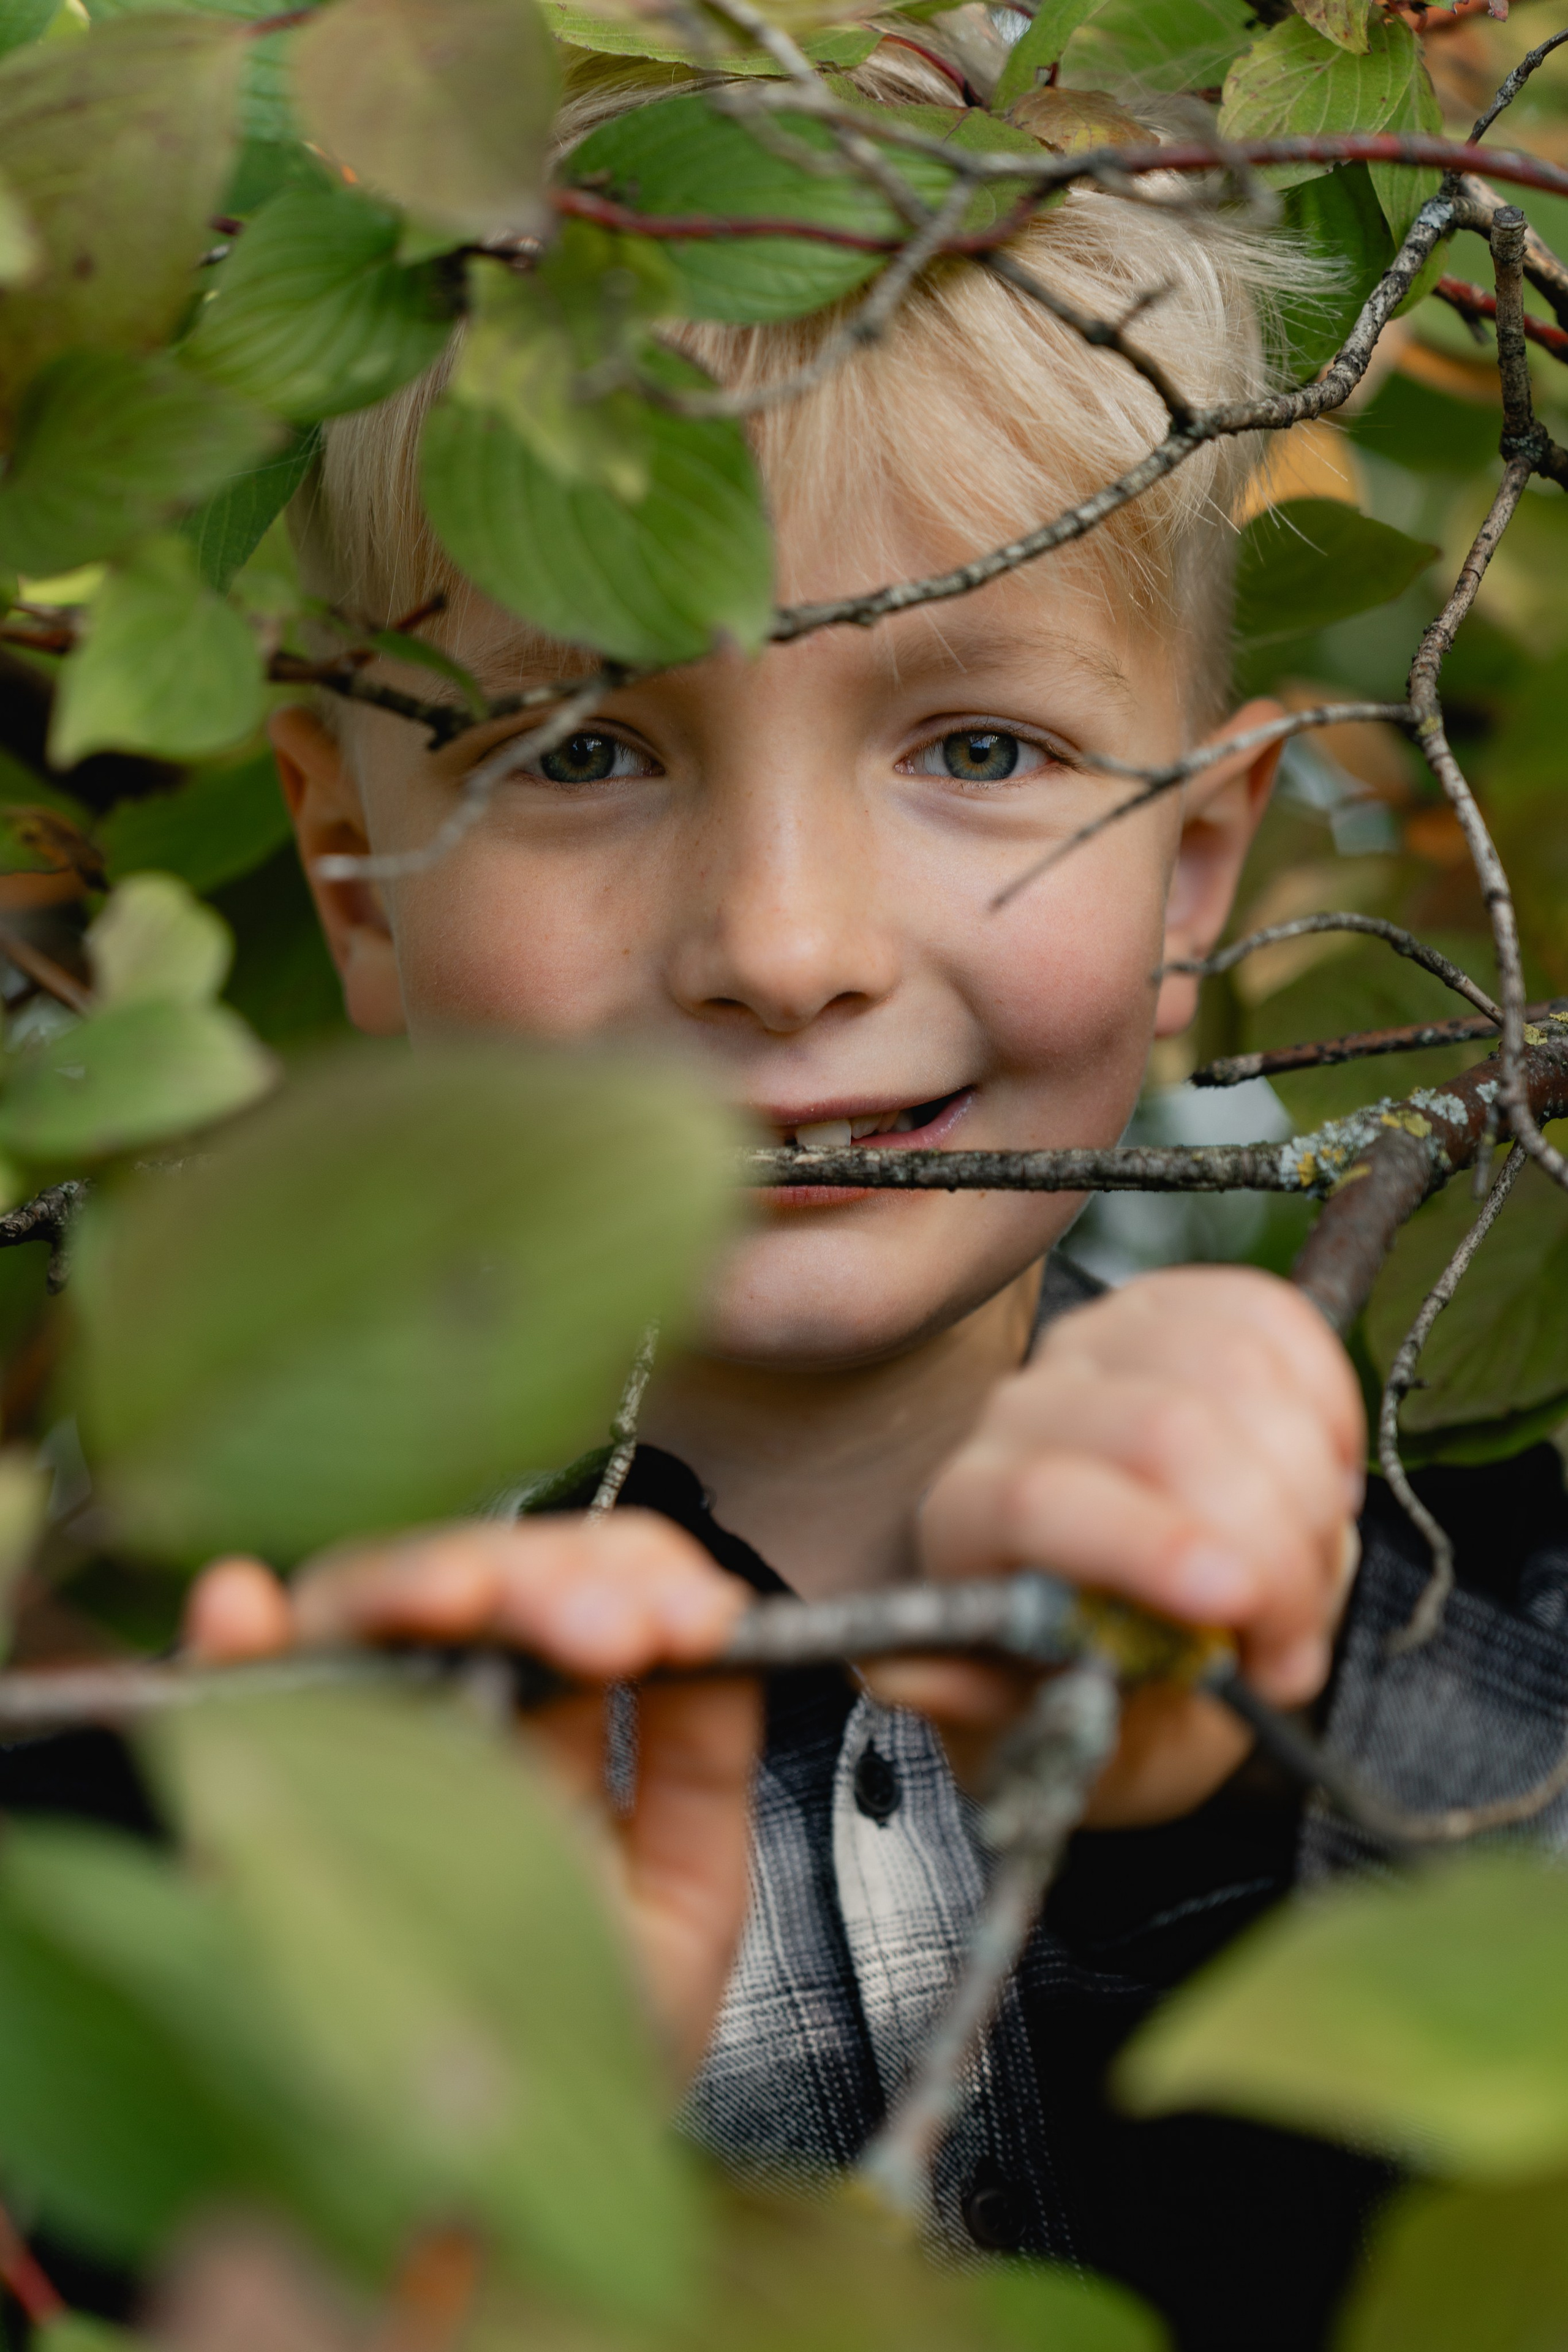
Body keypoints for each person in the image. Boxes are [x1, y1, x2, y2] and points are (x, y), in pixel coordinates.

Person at [162, 31, 1568, 2351]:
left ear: (1197, 872)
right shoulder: (209, 1771)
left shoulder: (1464, 1627)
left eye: (981, 748)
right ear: (354, 872)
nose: (789, 950)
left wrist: (1241, 1772)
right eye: (589, 747)